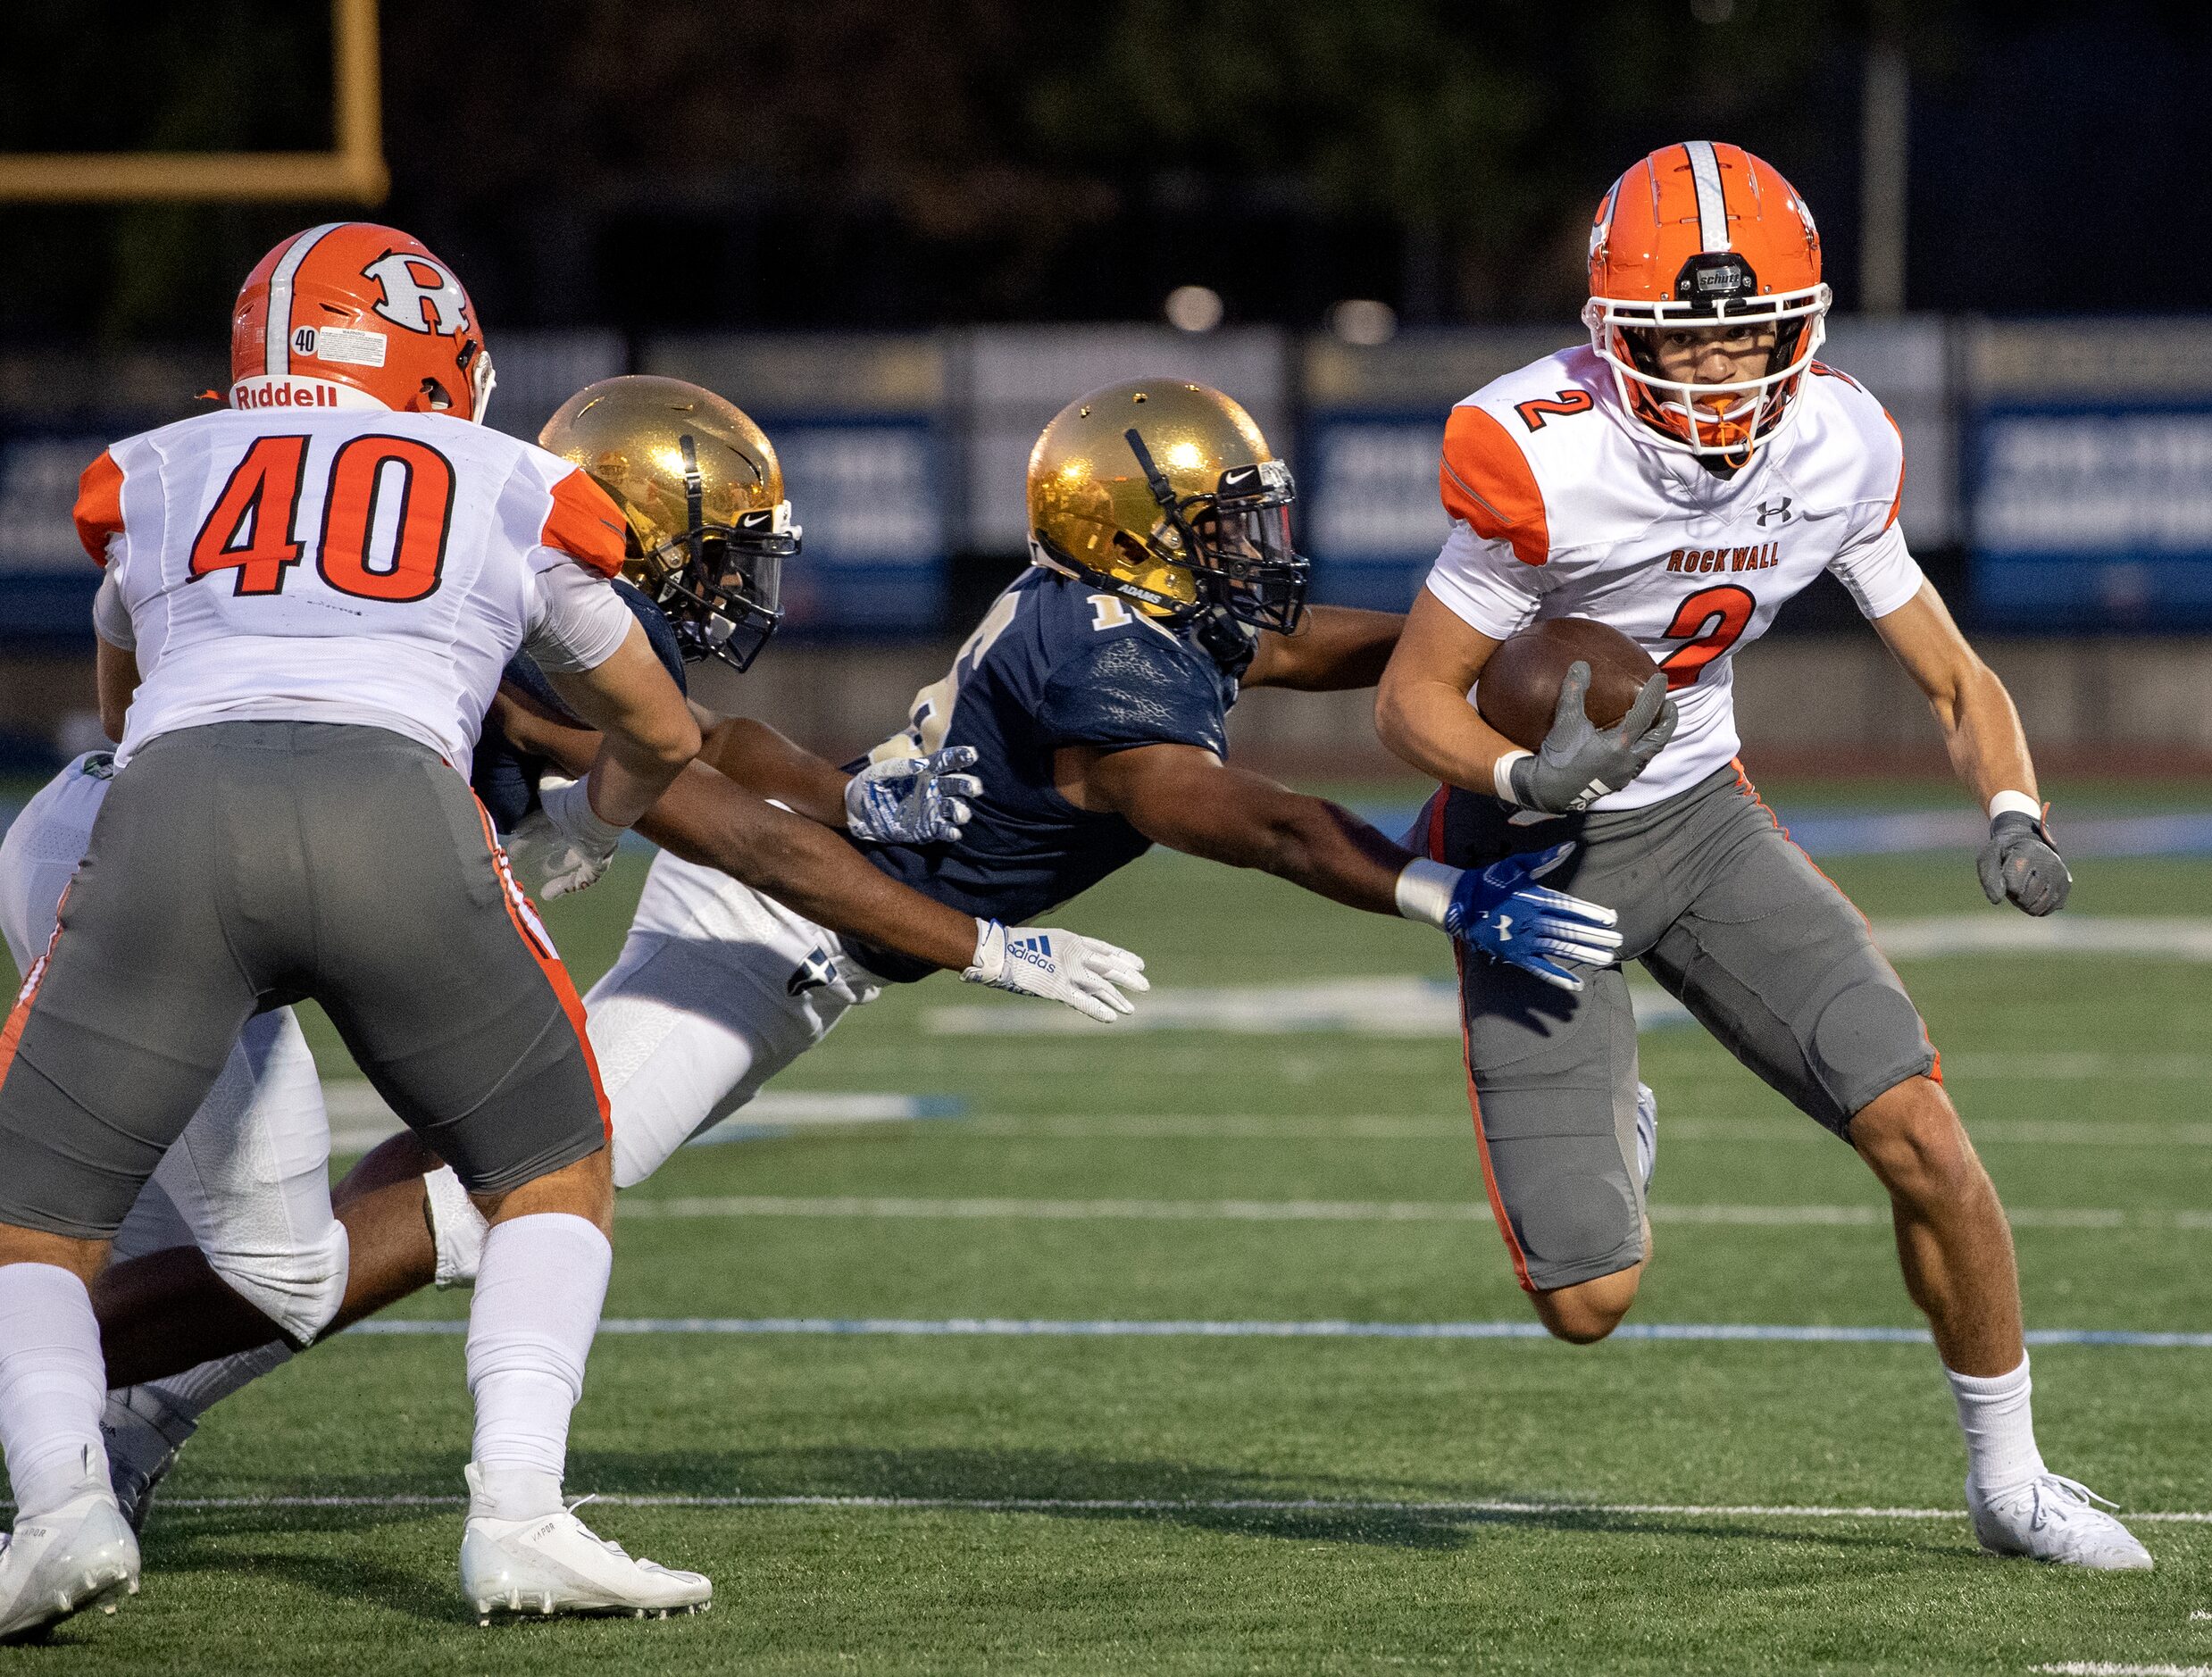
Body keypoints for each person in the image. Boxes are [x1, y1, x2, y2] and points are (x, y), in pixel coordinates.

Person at [80, 377, 1624, 1518]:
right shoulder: (1098, 658)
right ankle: (106, 1391)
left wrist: (1471, 627)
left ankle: (112, 1390)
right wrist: (1433, 893)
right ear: (1137, 536)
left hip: (764, 894)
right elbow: (1250, 819)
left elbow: (1306, 644)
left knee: (428, 1183)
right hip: (759, 921)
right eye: (1226, 529)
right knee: (470, 1210)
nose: (1255, 556)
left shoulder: (1134, 613)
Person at [0, 372, 1152, 1547]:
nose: (738, 579)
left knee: (216, 1234)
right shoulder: (547, 614)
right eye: (719, 548)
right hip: (168, 873)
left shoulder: (483, 576)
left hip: (147, 852)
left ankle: (97, 1447)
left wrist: (847, 793)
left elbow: (714, 753)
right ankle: (135, 1439)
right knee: (328, 1243)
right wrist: (980, 940)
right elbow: (739, 829)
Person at [1372, 144, 2151, 1571]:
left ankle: (2011, 1476)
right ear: (1616, 336)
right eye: (1686, 340)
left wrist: (2012, 812)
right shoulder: (1538, 449)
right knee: (1590, 1298)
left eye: (1749, 335)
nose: (1723, 372)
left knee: (1922, 1129)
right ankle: (1618, 1127)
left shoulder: (1836, 442)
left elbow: (1952, 677)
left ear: (1801, 329)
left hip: (1704, 819)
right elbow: (1409, 695)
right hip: (1535, 856)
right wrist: (1511, 770)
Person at [0, 220, 719, 1638]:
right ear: (422, 357)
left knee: (37, 1219)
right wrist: (587, 824)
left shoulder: (154, 473)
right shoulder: (507, 477)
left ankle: (60, 1505)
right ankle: (518, 1515)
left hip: (171, 818)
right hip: (396, 809)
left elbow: (122, 711)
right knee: (551, 1174)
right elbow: (660, 723)